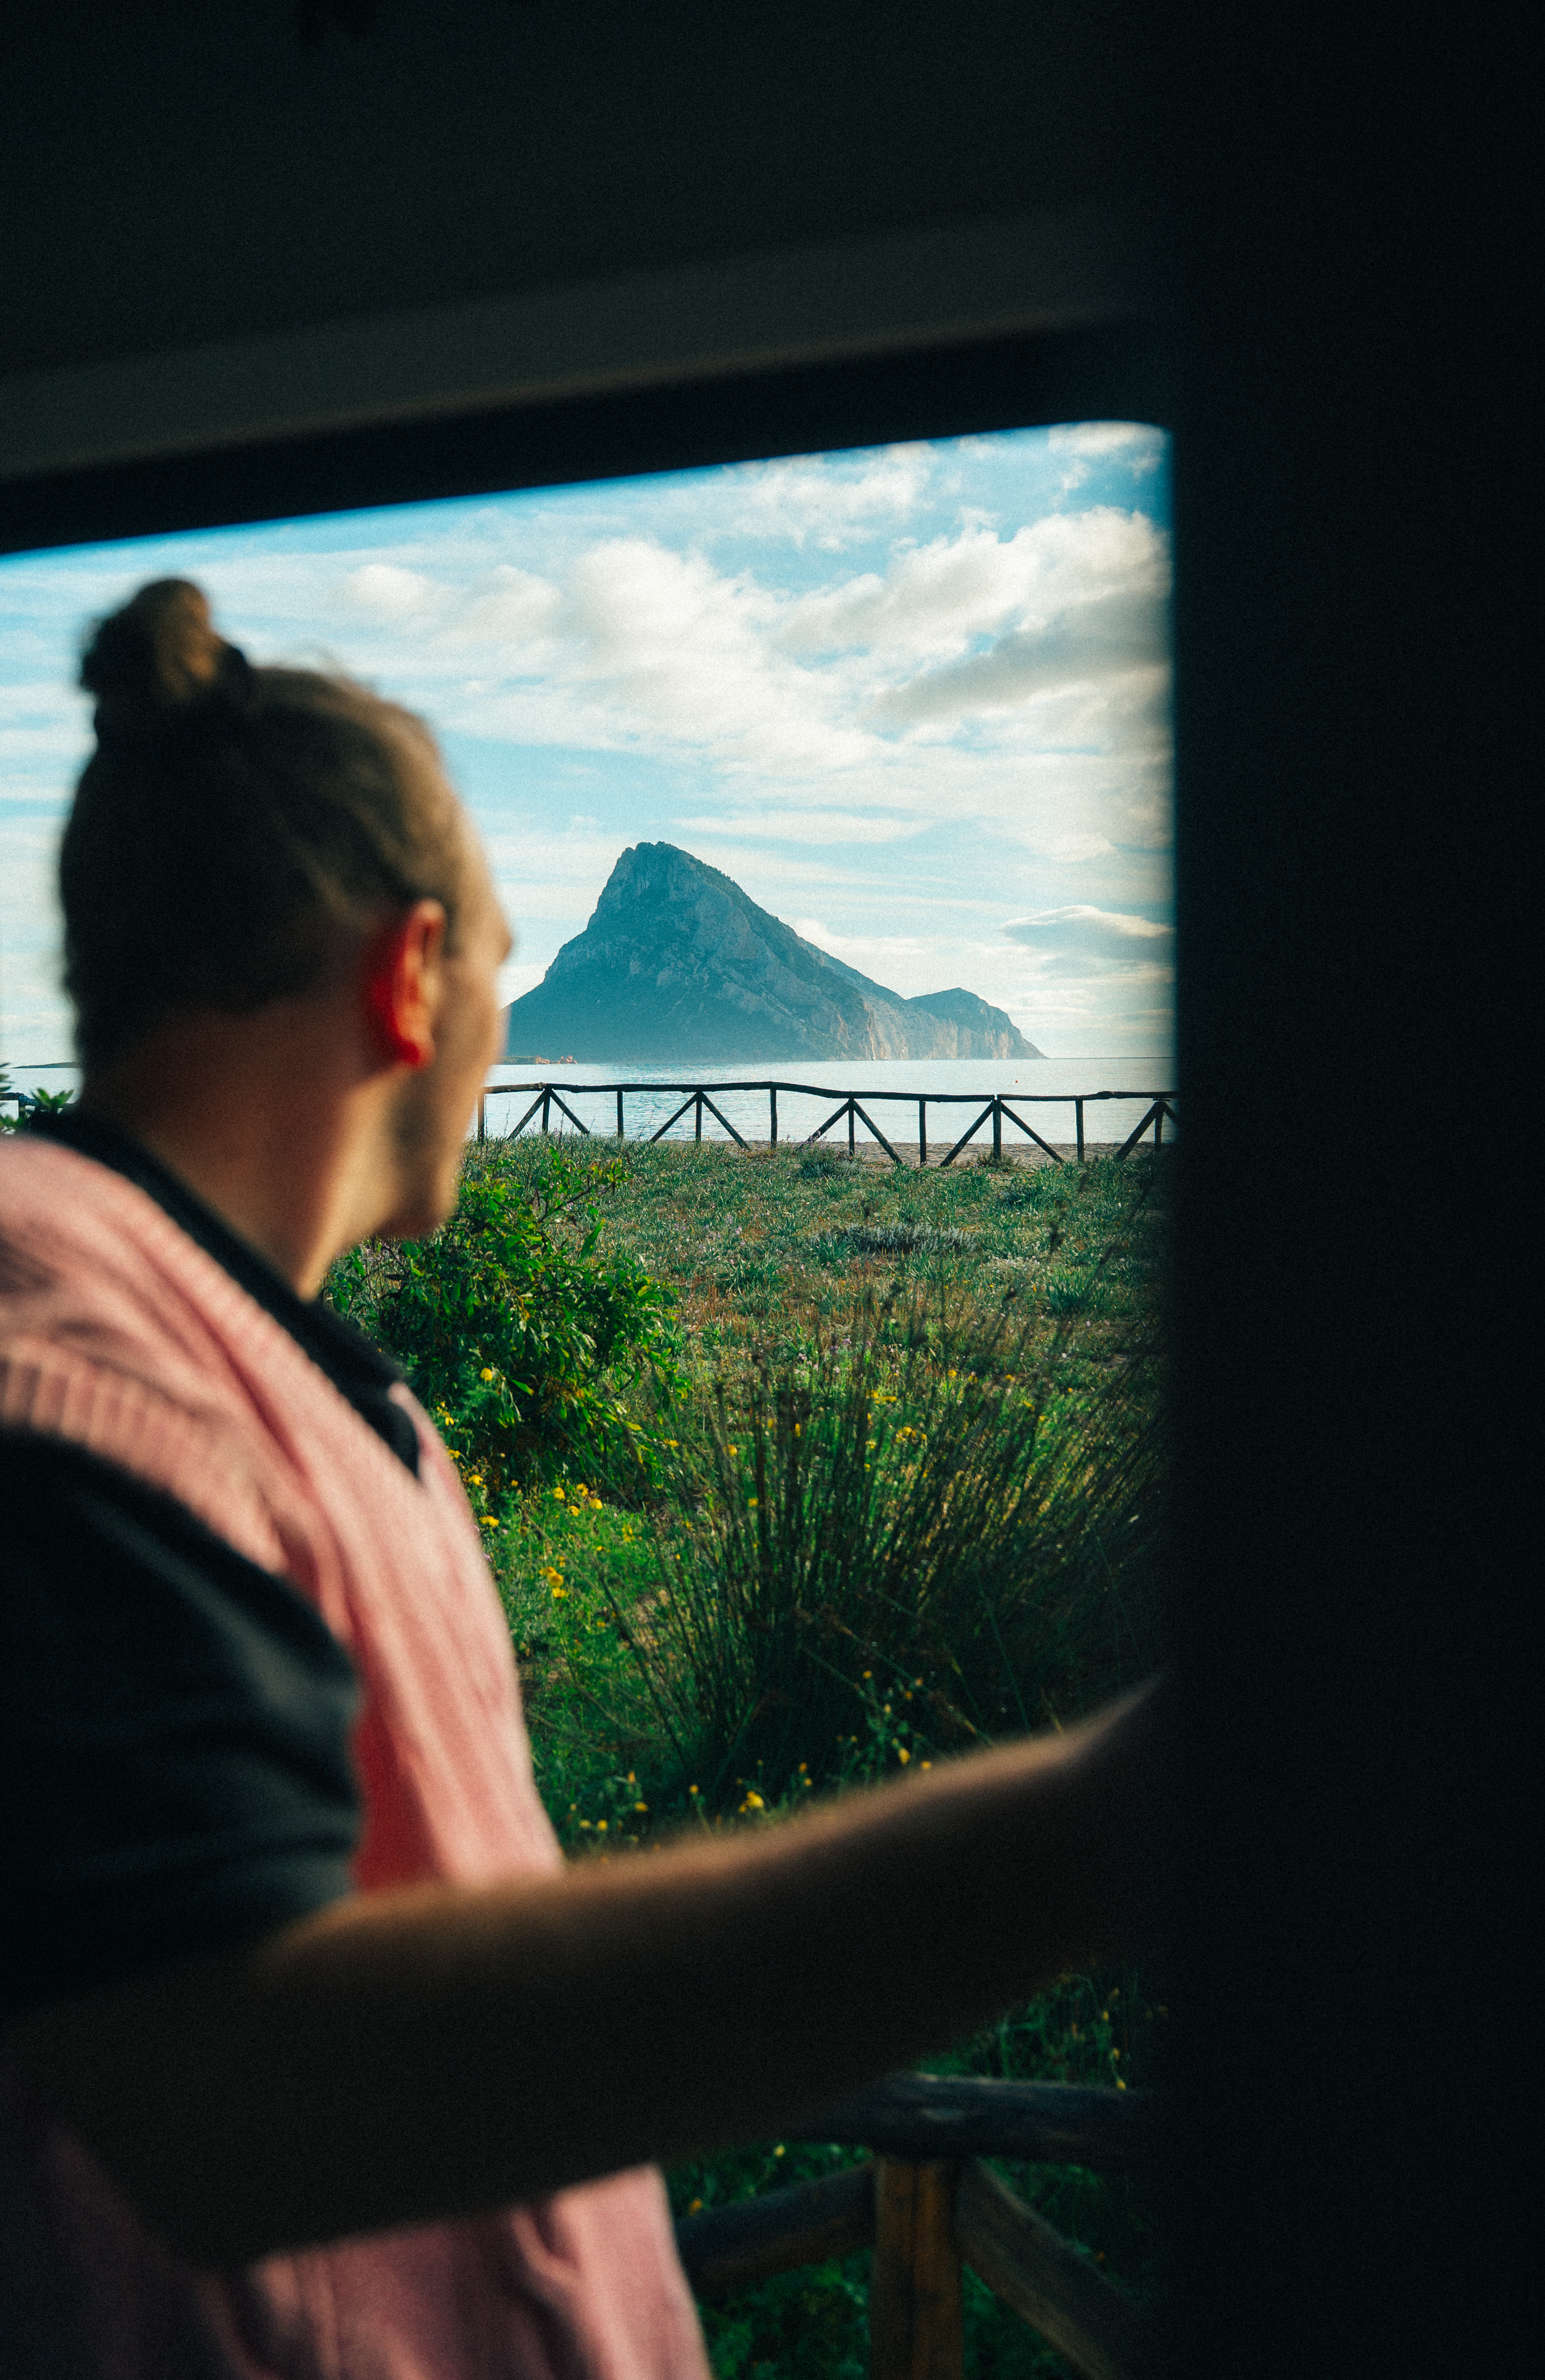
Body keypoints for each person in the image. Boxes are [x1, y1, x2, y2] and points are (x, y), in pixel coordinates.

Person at [0, 580, 1165, 2379]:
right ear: (409, 977)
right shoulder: (65, 1364)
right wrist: (1093, 1830)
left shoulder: (252, 1358)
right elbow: (233, 2095)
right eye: (503, 969)